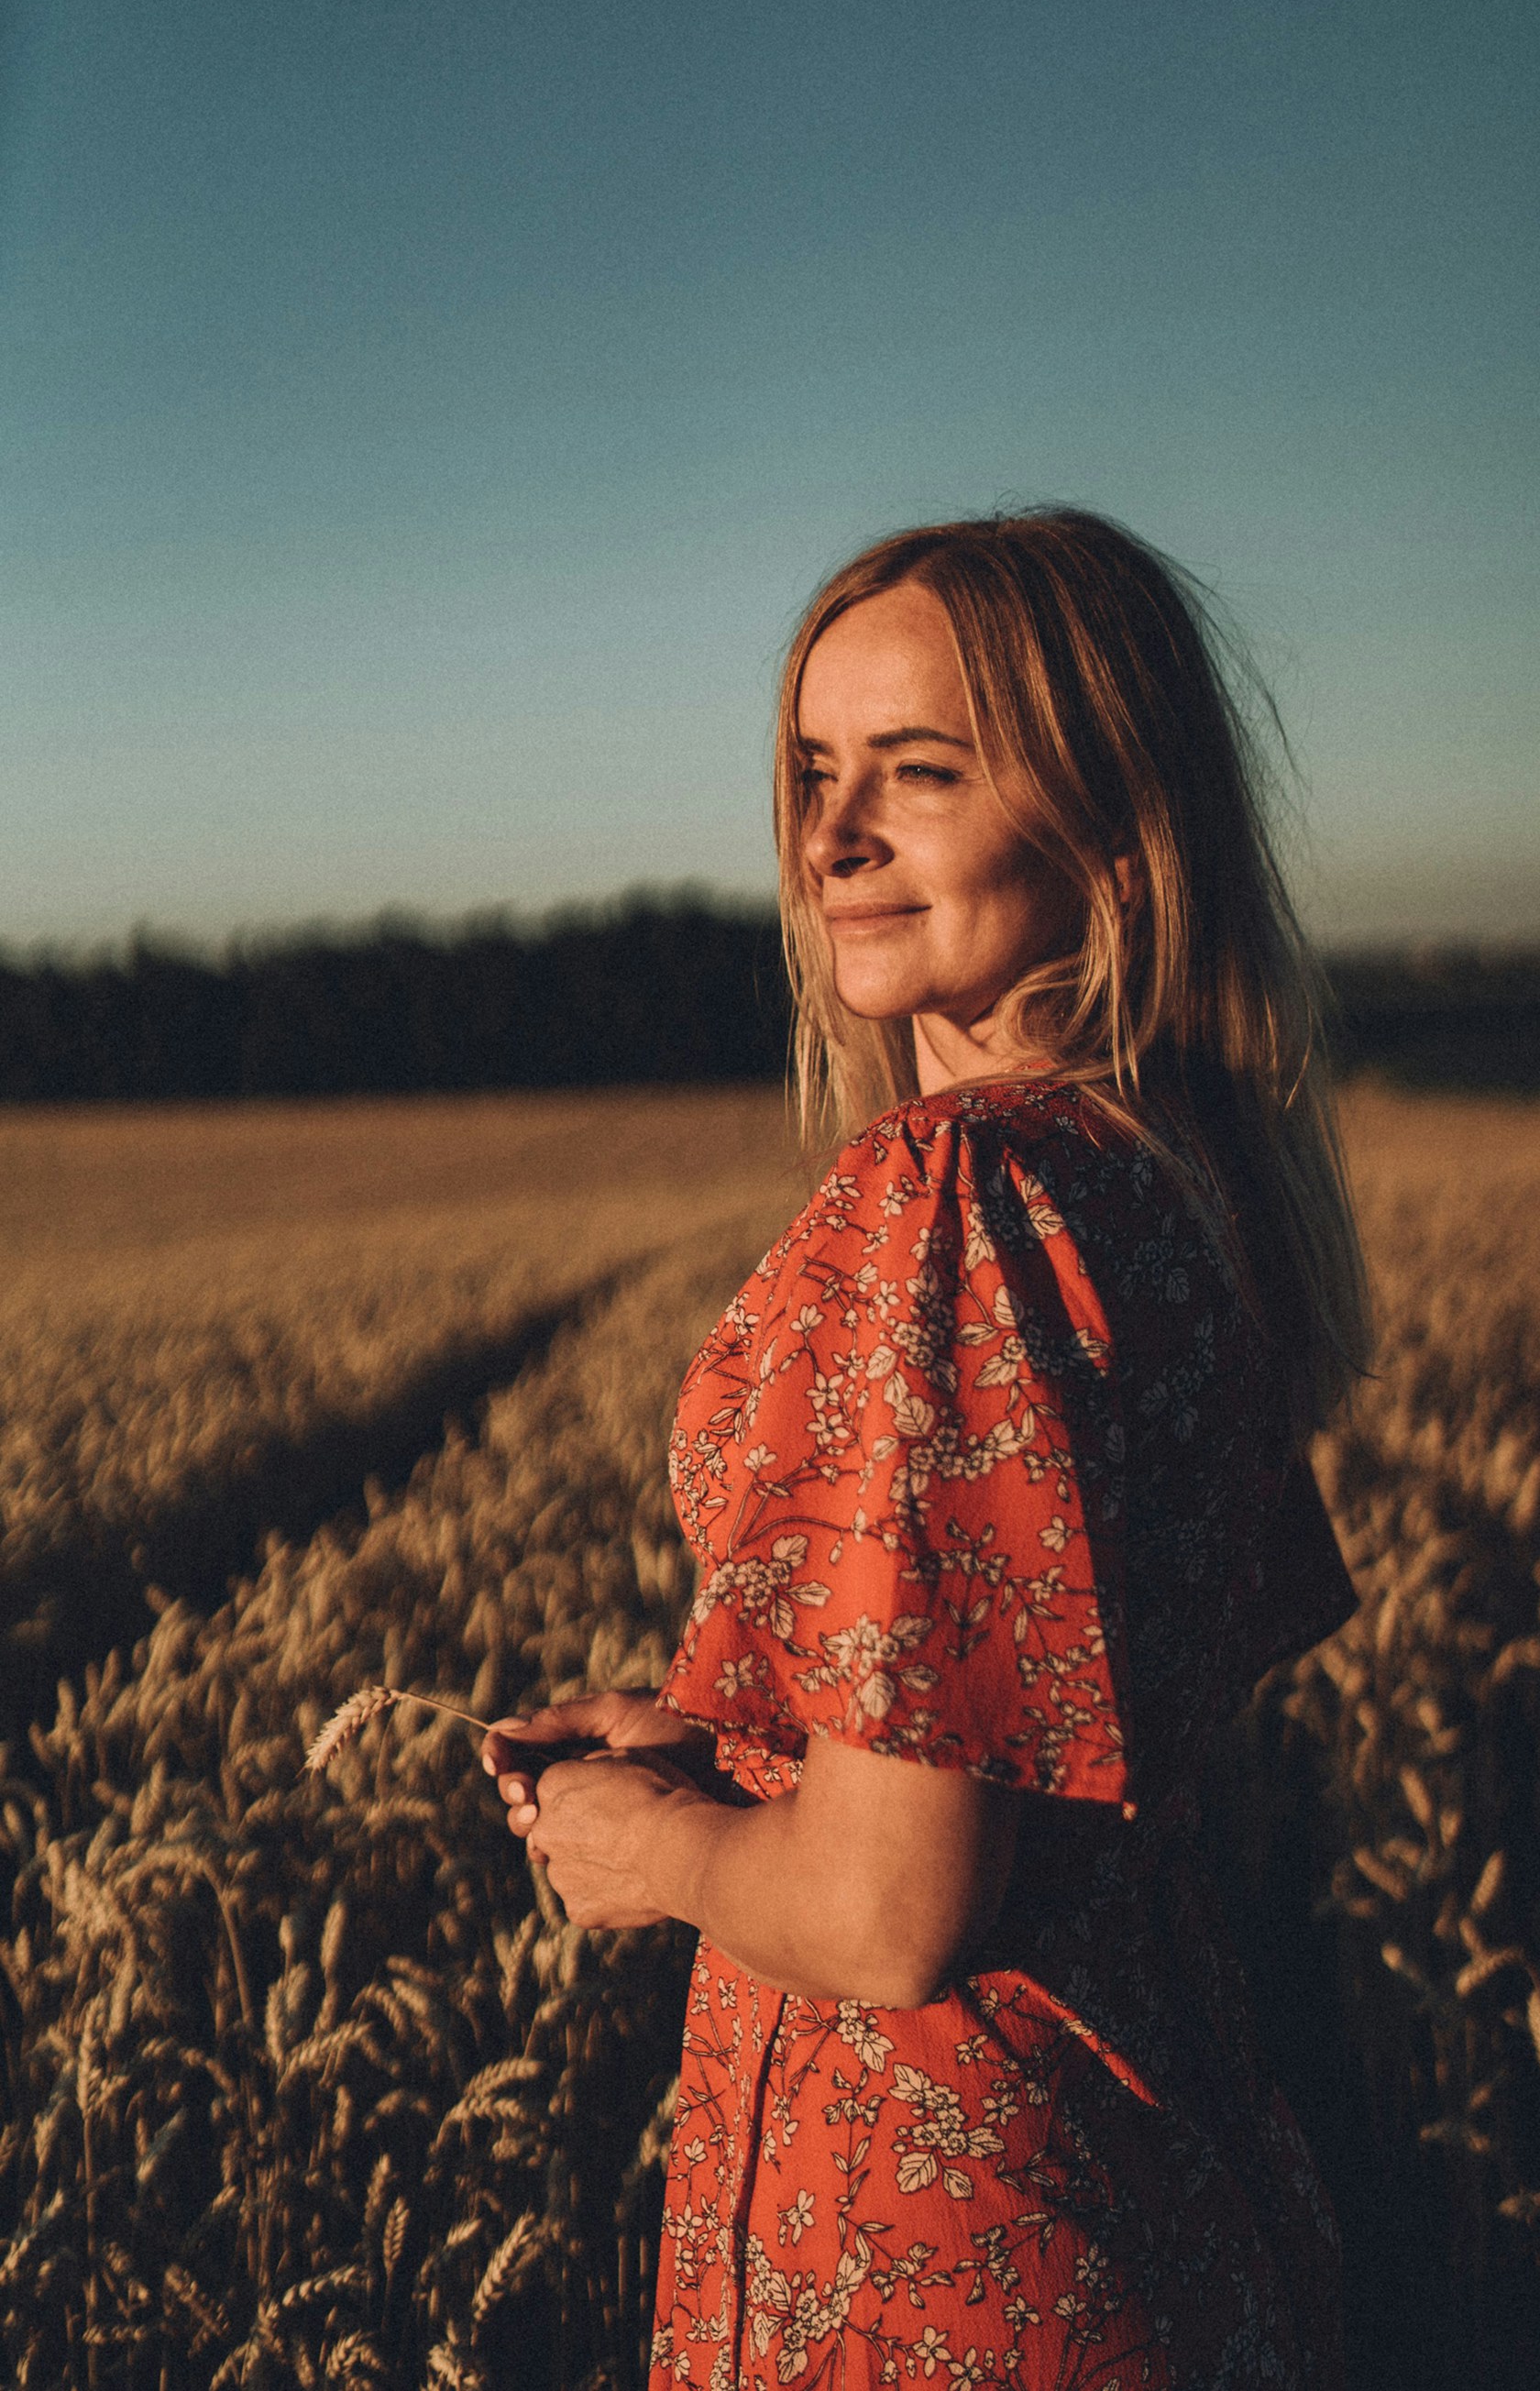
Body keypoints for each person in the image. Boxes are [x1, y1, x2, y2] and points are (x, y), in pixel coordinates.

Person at [483, 511, 1370, 2390]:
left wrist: (655, 1849)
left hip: (933, 2250)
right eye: (814, 774)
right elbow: (1042, 1740)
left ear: (1117, 823)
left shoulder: (955, 1192)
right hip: (1161, 2181)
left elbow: (892, 1916)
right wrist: (731, 1742)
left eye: (921, 772)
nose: (830, 838)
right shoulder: (1158, 1175)